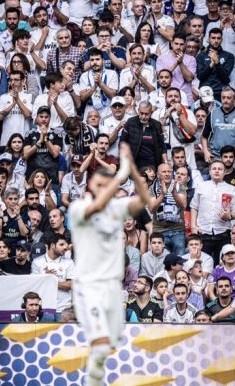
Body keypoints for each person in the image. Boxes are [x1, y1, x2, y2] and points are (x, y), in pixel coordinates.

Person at [68, 143, 152, 386]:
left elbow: (144, 199)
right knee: (101, 343)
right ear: (91, 186)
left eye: (108, 186)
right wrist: (121, 174)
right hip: (89, 284)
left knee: (111, 343)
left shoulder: (116, 208)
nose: (104, 189)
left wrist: (132, 171)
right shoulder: (79, 208)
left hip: (113, 287)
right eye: (100, 185)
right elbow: (96, 206)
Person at [190, 159, 235, 266]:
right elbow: (194, 207)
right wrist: (193, 226)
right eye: (214, 169)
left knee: (223, 265)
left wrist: (230, 216)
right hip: (203, 232)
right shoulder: (201, 186)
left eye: (220, 169)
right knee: (202, 265)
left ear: (225, 172)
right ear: (209, 171)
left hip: (222, 233)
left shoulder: (232, 189)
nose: (216, 171)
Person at [148, 163, 187, 254]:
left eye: (169, 171)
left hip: (177, 231)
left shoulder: (179, 186)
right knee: (163, 262)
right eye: (164, 172)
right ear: (158, 174)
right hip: (160, 231)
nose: (167, 174)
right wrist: (162, 195)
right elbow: (152, 209)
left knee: (179, 261)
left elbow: (183, 205)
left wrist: (174, 193)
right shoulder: (152, 188)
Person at [120, 101, 167, 170]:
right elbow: (122, 142)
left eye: (146, 114)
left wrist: (165, 162)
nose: (143, 116)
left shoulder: (157, 125)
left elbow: (162, 145)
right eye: (141, 113)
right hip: (134, 164)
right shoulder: (130, 123)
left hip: (153, 164)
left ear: (151, 113)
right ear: (138, 111)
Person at [24, 106, 62, 183]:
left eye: (46, 117)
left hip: (51, 176)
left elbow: (55, 154)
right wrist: (39, 142)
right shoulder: (30, 133)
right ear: (37, 118)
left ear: (50, 118)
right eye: (41, 117)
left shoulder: (57, 134)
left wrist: (45, 138)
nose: (44, 119)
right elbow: (25, 155)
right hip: (33, 176)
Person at [196, 28, 235, 99]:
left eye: (218, 38)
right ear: (208, 39)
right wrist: (210, 65)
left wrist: (217, 63)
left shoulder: (229, 56)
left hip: (221, 93)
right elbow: (200, 76)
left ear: (222, 39)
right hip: (205, 92)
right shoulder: (201, 56)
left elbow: (225, 78)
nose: (216, 41)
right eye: (213, 38)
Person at [156, 34, 196, 103]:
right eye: (176, 44)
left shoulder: (191, 59)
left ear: (185, 45)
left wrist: (181, 63)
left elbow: (189, 78)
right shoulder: (161, 58)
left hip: (186, 99)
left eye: (181, 44)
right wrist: (176, 63)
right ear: (171, 44)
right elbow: (161, 77)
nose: (178, 46)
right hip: (168, 97)